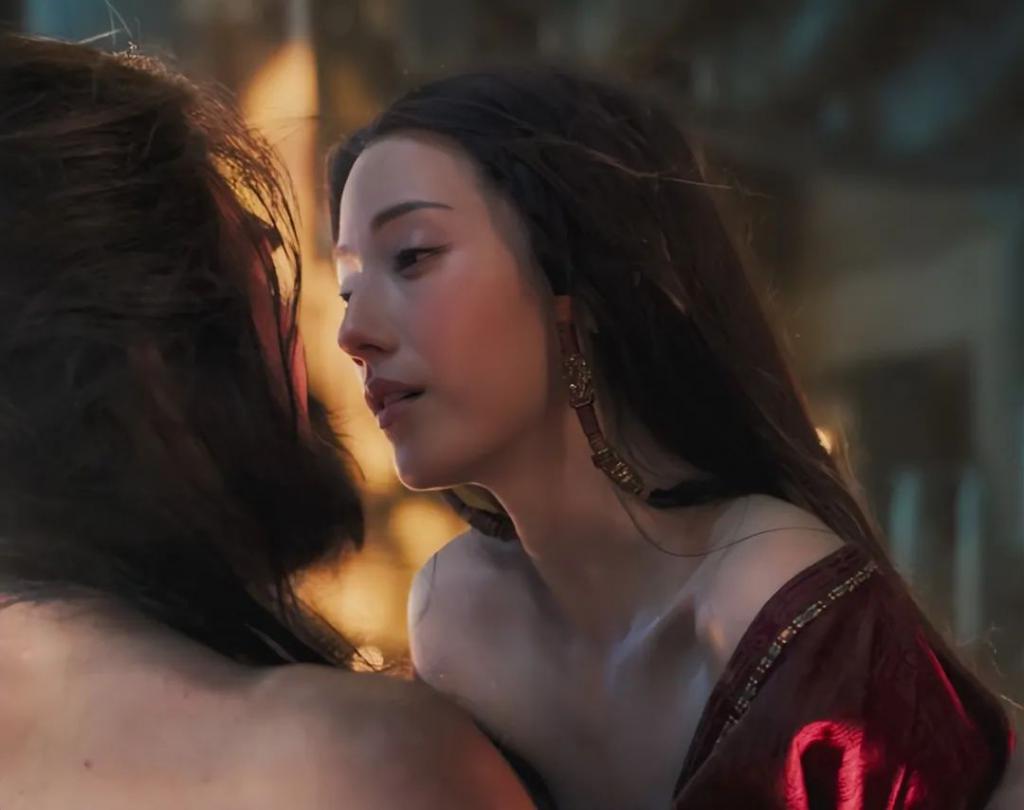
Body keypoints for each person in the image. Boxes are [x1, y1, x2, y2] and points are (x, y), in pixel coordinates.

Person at [329, 67, 1014, 809]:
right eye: (347, 287)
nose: (352, 333)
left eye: (412, 256)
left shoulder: (773, 602)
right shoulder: (455, 615)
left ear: (576, 285)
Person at [0, 34, 534, 810]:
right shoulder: (348, 765)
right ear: (151, 347)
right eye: (260, 270)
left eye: (414, 259)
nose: (347, 335)